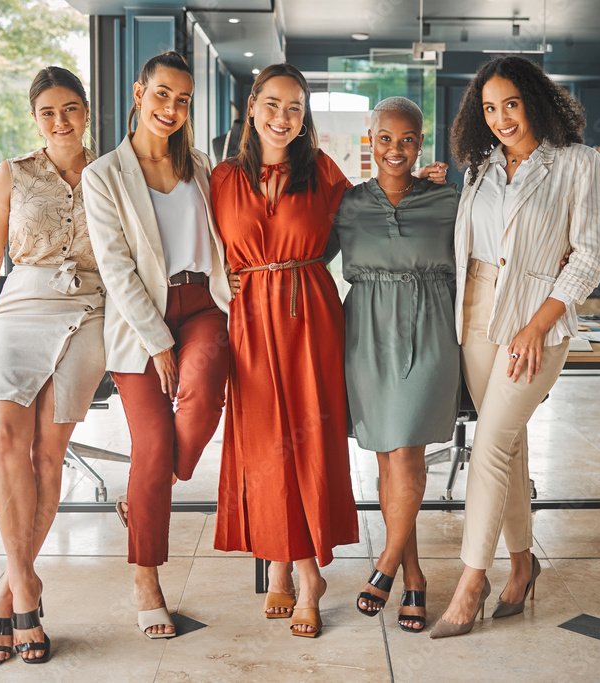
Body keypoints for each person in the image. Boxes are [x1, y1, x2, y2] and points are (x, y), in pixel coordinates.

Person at [430, 55, 600, 639]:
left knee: (490, 445)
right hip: (476, 311)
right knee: (511, 447)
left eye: (511, 103)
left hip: (535, 321)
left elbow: (589, 255)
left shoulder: (577, 164)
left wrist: (537, 323)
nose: (502, 117)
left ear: (534, 98)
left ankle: (471, 580)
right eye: (489, 108)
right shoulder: (480, 167)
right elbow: (470, 242)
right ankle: (523, 564)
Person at [82, 51, 230, 639]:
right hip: (140, 316)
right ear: (139, 94)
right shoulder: (104, 175)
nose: (171, 108)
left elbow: (227, 233)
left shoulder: (200, 164)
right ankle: (147, 579)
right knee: (152, 440)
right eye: (162, 95)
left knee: (200, 401)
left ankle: (149, 495)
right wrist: (156, 341)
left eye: (183, 99)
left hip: (203, 306)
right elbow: (116, 269)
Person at [209, 63, 359, 639]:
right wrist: (229, 284)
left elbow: (366, 220)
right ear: (252, 107)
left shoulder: (321, 170)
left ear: (305, 118)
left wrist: (417, 185)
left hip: (309, 314)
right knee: (264, 444)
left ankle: (297, 568)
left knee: (306, 439)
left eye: (294, 108)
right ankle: (290, 564)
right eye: (272, 104)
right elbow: (198, 246)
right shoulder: (221, 178)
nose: (282, 117)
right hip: (248, 320)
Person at [0, 66, 102, 665]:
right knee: (4, 438)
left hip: (89, 307)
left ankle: (9, 595)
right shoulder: (12, 174)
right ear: (34, 119)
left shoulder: (113, 172)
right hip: (21, 304)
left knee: (49, 453)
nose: (60, 121)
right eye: (48, 112)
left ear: (87, 111)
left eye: (70, 108)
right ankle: (25, 590)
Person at [324, 97, 459, 633]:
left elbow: (494, 245)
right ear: (370, 139)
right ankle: (416, 576)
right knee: (386, 459)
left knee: (406, 454)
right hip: (365, 333)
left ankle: (383, 568)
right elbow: (304, 251)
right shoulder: (348, 204)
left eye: (407, 139)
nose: (396, 149)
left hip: (428, 328)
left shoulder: (449, 199)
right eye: (386, 138)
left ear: (421, 142)